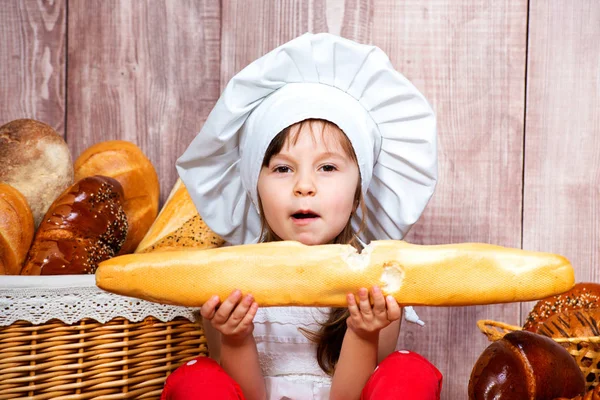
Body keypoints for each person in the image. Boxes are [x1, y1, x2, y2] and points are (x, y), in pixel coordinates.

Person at [164, 32, 442, 399]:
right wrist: (235, 338)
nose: (304, 186)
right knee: (196, 378)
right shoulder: (227, 281)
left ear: (359, 190)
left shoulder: (377, 284)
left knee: (409, 371)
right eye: (283, 169)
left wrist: (363, 332)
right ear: (254, 187)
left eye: (327, 168)